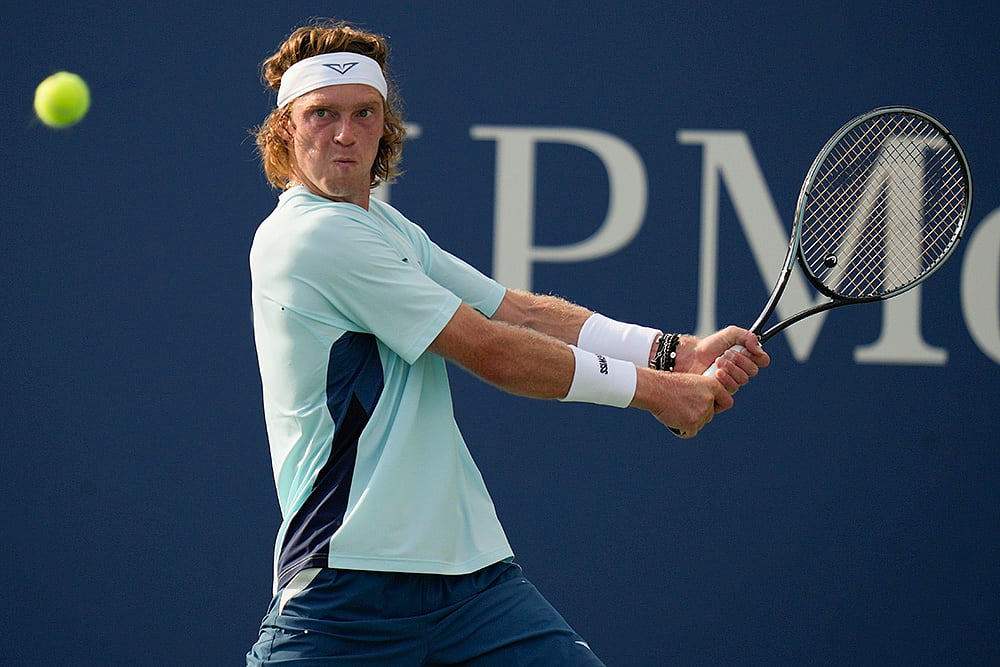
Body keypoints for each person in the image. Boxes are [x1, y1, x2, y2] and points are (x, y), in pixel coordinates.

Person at [246, 19, 769, 666]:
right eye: (322, 113)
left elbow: (517, 311)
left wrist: (674, 353)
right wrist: (659, 392)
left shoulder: (383, 226)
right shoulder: (311, 237)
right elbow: (490, 347)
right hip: (347, 586)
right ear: (285, 129)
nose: (345, 133)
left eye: (364, 113)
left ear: (385, 126)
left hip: (472, 581)